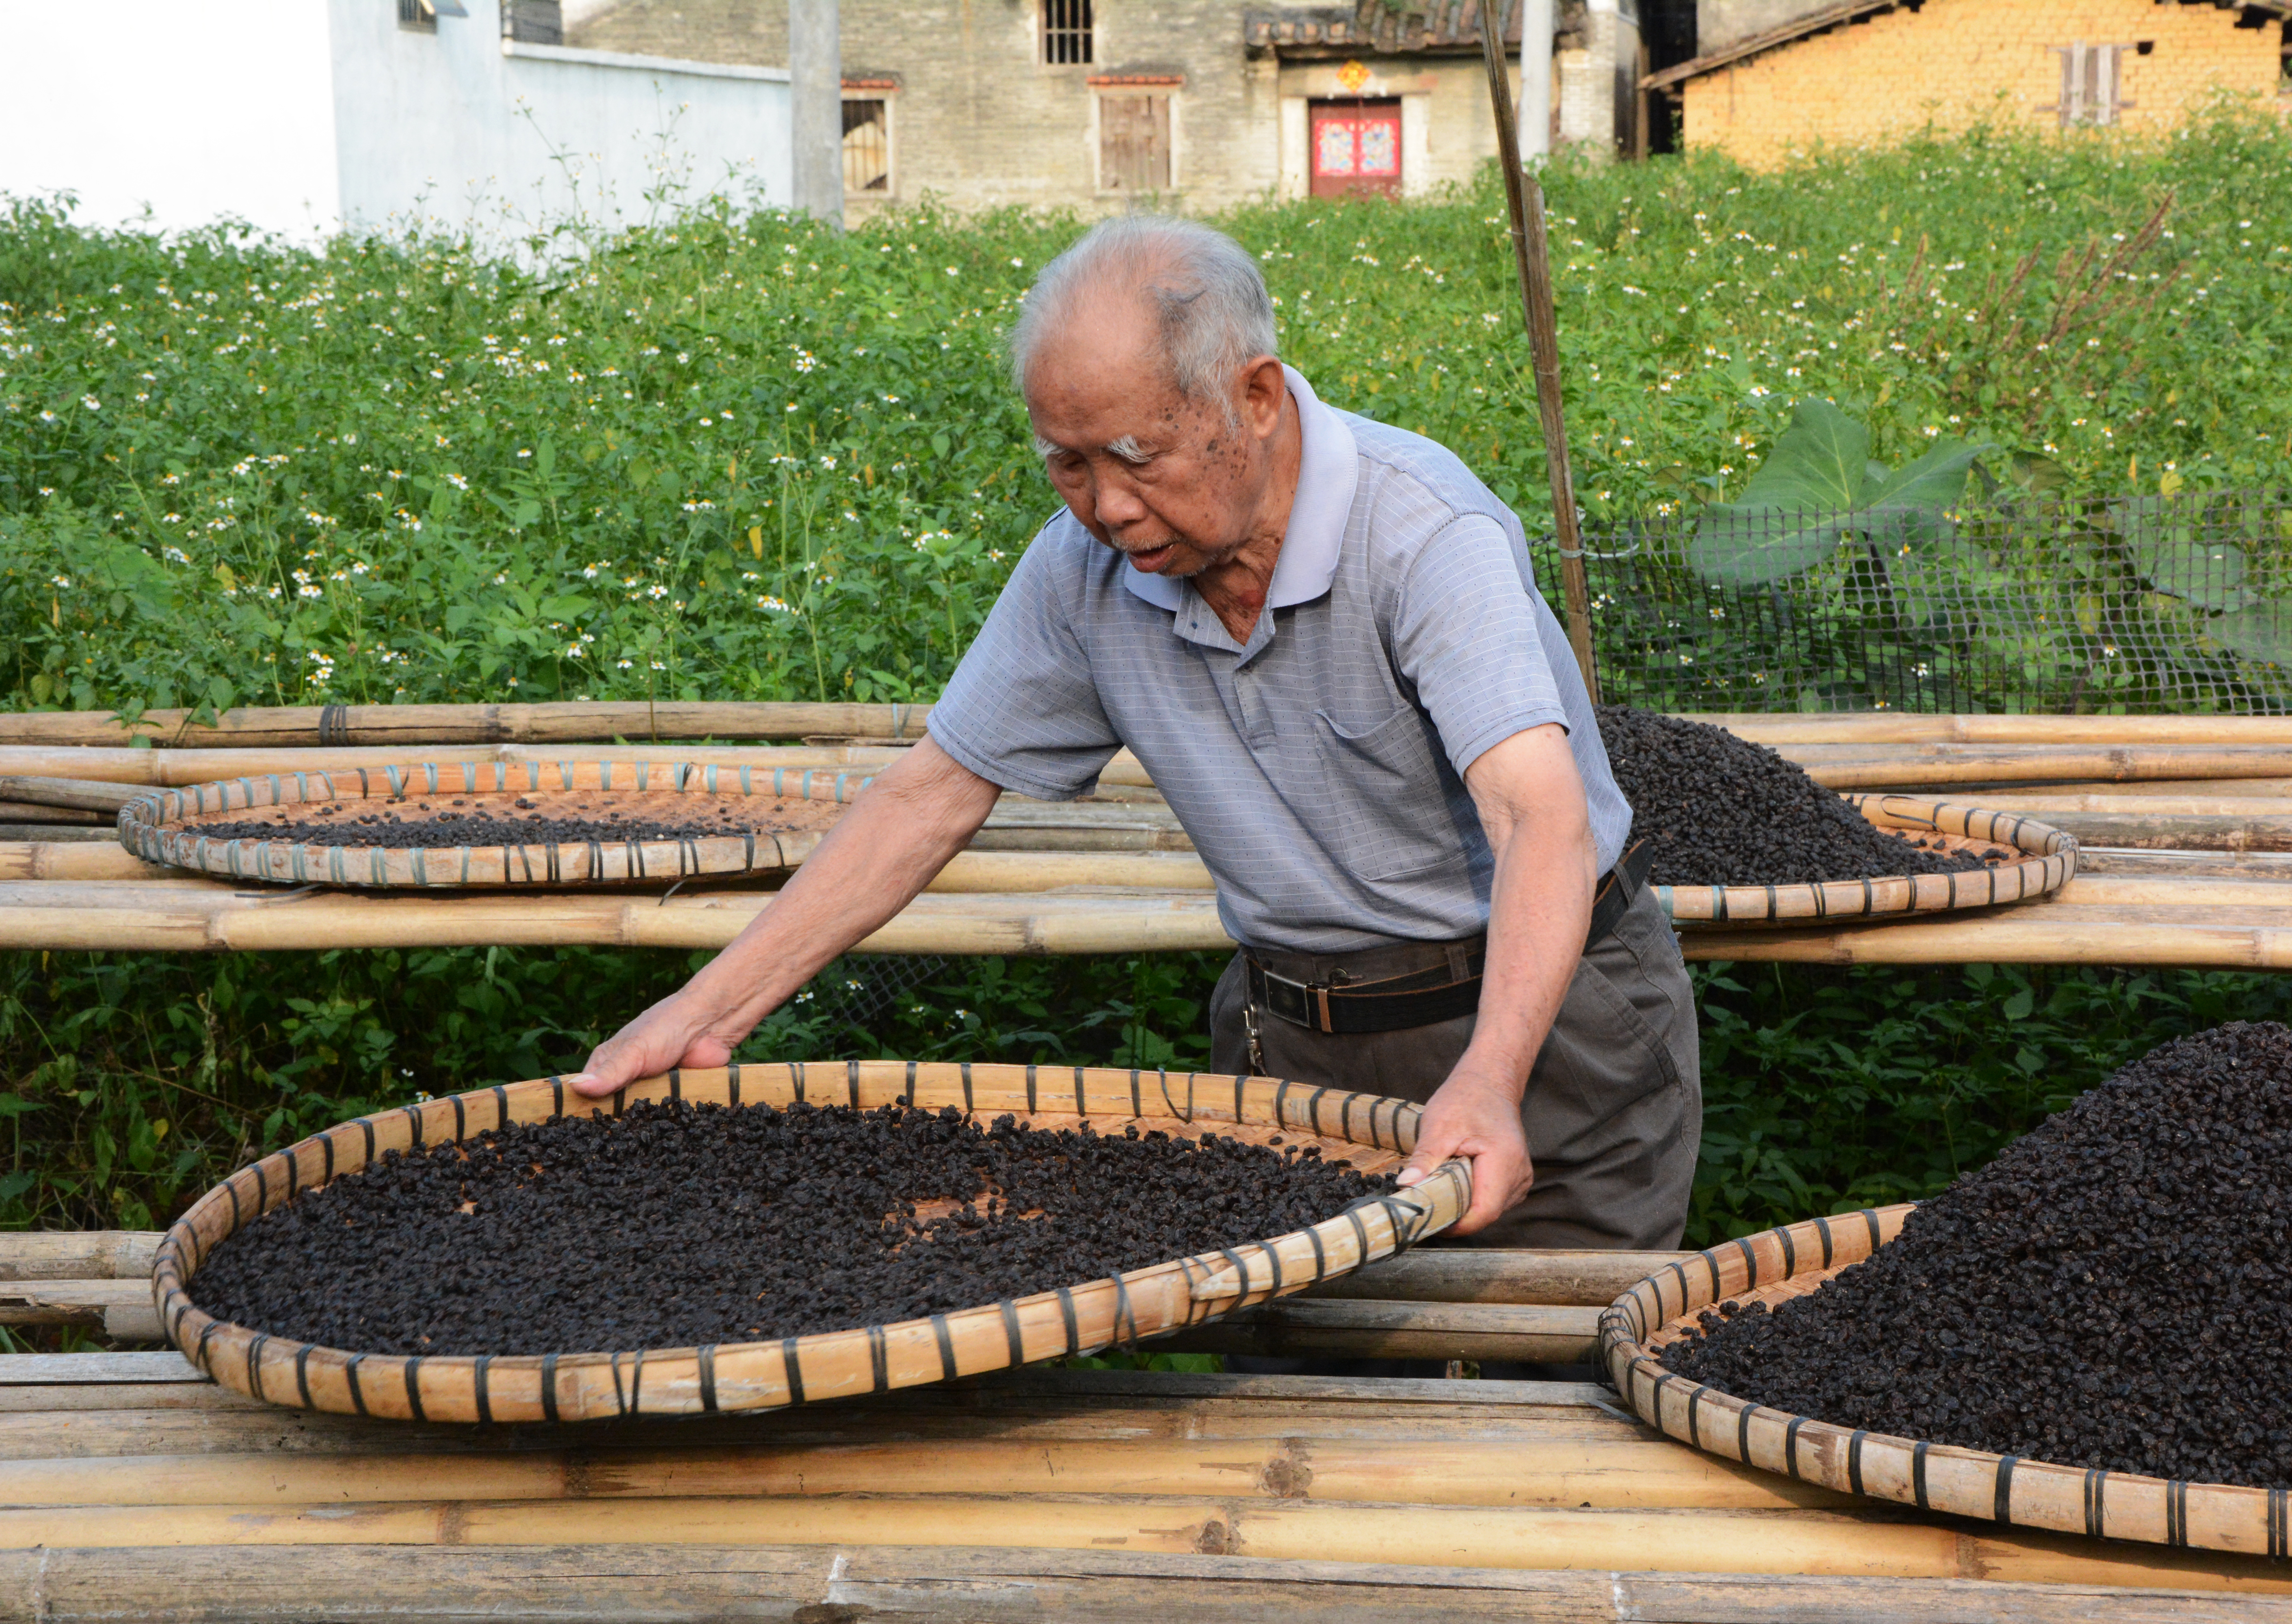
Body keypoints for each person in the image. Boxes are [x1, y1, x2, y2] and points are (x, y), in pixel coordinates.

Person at [571, 215, 1699, 1248]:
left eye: (1136, 457)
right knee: (1297, 1426)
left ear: (1254, 400)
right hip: (1295, 1040)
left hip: (1545, 1025)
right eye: (1068, 462)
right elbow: (928, 800)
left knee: (1552, 1418)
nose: (1105, 505)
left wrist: (1491, 1077)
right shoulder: (1083, 575)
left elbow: (1537, 816)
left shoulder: (1420, 533)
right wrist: (700, 1013)